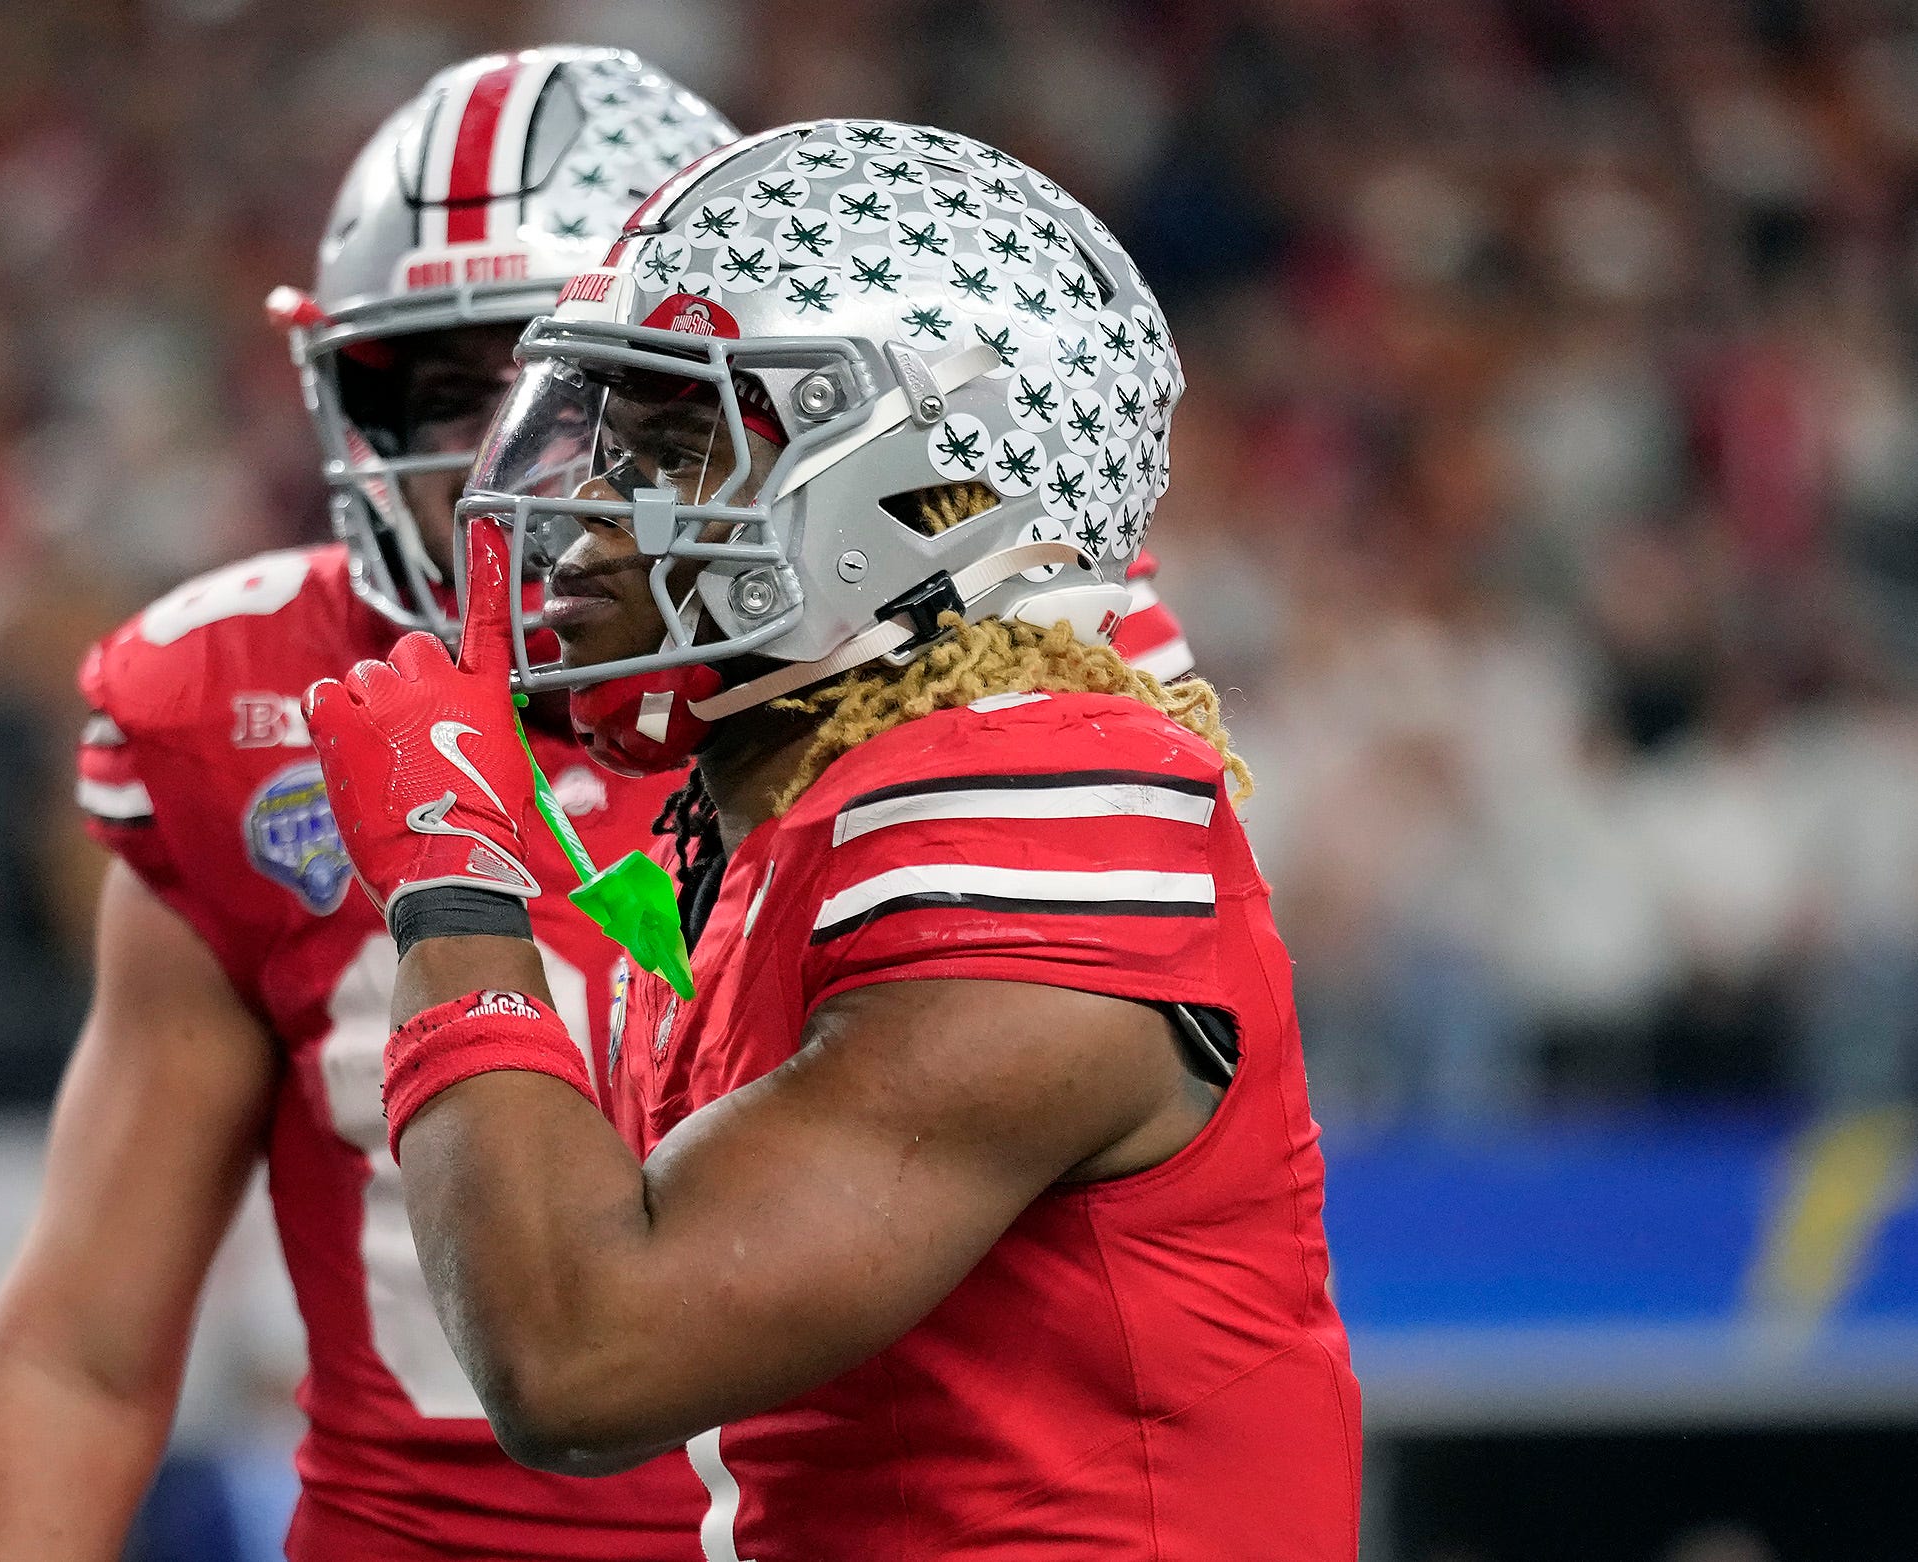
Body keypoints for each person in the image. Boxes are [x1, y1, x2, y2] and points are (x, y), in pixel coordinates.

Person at [302, 119, 1360, 1560]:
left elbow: (581, 1355)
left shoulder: (1035, 808)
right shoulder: (803, 823)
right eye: (601, 431)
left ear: (910, 486)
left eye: (671, 440)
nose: (578, 508)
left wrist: (452, 874)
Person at [0, 49, 742, 1561]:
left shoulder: (890, 694)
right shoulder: (247, 713)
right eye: (447, 385)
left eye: (567, 376)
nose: (505, 454)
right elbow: (83, 1349)